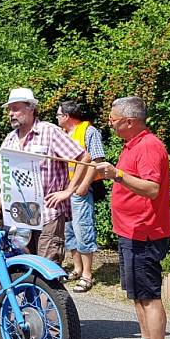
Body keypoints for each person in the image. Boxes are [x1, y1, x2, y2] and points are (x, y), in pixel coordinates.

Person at [95, 96, 170, 339]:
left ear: (130, 121)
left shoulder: (150, 147)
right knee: (138, 295)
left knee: (150, 297)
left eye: (113, 119)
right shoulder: (132, 145)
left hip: (145, 232)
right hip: (130, 231)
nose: (110, 123)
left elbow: (152, 189)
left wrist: (117, 174)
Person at [0, 88, 90, 265]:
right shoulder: (10, 139)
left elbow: (83, 157)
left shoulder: (49, 131)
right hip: (19, 216)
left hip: (48, 213)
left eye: (15, 108)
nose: (11, 114)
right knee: (25, 268)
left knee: (48, 269)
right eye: (9, 110)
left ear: (30, 108)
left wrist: (68, 191)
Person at [57, 101, 105, 292]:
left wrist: (84, 185)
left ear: (67, 116)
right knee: (69, 231)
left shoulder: (89, 131)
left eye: (58, 115)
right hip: (65, 189)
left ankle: (87, 275)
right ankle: (77, 269)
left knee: (83, 228)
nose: (57, 118)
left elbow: (98, 159)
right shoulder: (62, 134)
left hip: (81, 190)